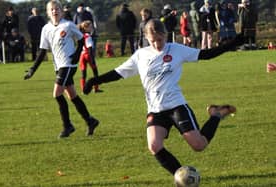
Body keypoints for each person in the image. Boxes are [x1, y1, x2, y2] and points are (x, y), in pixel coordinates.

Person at [83, 19, 244, 176]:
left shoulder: (176, 50)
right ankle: (183, 176)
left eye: (160, 40)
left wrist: (232, 43)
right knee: (154, 146)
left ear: (166, 35)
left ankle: (216, 114)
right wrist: (94, 81)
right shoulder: (141, 55)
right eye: (153, 41)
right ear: (146, 38)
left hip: (176, 106)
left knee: (199, 145)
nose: (157, 44)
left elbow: (206, 54)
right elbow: (118, 73)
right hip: (155, 110)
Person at [24, 0, 99, 138]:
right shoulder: (46, 29)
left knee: (57, 94)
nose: (54, 11)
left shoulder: (68, 25)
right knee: (72, 95)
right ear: (48, 12)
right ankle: (90, 121)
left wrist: (77, 54)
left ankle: (67, 126)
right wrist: (32, 69)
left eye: (57, 8)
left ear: (61, 10)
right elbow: (42, 51)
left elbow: (82, 38)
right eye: (51, 9)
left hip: (69, 65)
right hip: (58, 66)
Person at [78, 20, 103, 93]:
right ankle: (96, 88)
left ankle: (83, 89)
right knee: (95, 72)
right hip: (88, 54)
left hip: (82, 55)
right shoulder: (88, 36)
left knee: (83, 73)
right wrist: (92, 58)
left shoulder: (81, 35)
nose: (91, 28)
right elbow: (89, 47)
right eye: (90, 27)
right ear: (86, 28)